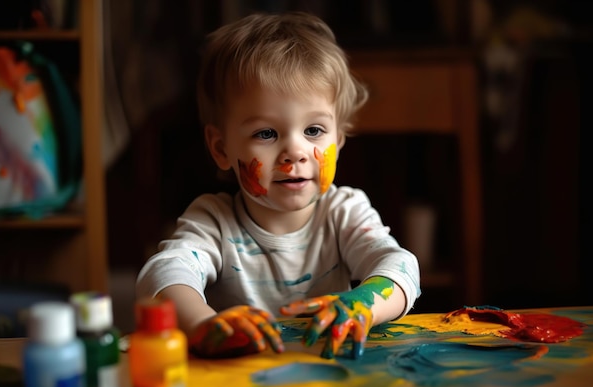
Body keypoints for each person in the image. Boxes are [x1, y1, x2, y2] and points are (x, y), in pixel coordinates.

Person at [136, 11, 421, 360]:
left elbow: (400, 267)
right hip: (244, 382)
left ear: (339, 138)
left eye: (314, 131)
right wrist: (202, 324)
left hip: (335, 376)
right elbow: (162, 276)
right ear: (222, 148)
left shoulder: (344, 212)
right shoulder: (214, 222)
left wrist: (366, 303)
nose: (295, 152)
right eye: (266, 133)